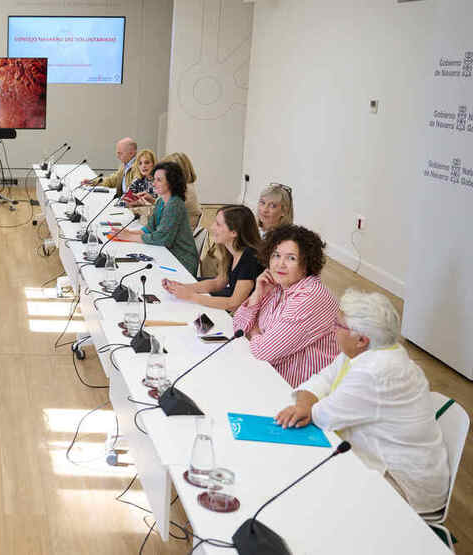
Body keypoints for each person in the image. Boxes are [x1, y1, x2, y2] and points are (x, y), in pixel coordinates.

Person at [275, 290, 449, 514]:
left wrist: (306, 408)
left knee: (308, 489)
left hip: (402, 484)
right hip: (378, 454)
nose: (333, 329)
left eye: (338, 325)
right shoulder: (371, 350)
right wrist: (303, 405)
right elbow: (322, 379)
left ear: (361, 340)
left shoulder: (375, 372)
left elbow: (322, 416)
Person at [233, 224, 339, 387]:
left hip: (297, 391)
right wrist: (257, 294)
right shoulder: (276, 284)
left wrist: (253, 331)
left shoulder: (310, 296)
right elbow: (238, 326)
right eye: (276, 255)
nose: (280, 264)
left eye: (291, 258)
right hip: (266, 372)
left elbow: (264, 351)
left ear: (307, 263)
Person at [162, 205, 263, 311]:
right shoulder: (231, 251)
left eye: (218, 225)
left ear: (234, 232)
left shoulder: (249, 258)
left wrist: (191, 296)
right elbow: (218, 283)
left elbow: (234, 304)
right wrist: (182, 287)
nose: (212, 227)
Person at [116, 161, 199, 276]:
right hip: (167, 253)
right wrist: (128, 233)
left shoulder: (175, 204)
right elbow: (150, 228)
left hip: (181, 260)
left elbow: (161, 238)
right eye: (154, 179)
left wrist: (129, 237)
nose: (154, 184)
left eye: (159, 180)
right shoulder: (161, 201)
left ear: (171, 182)